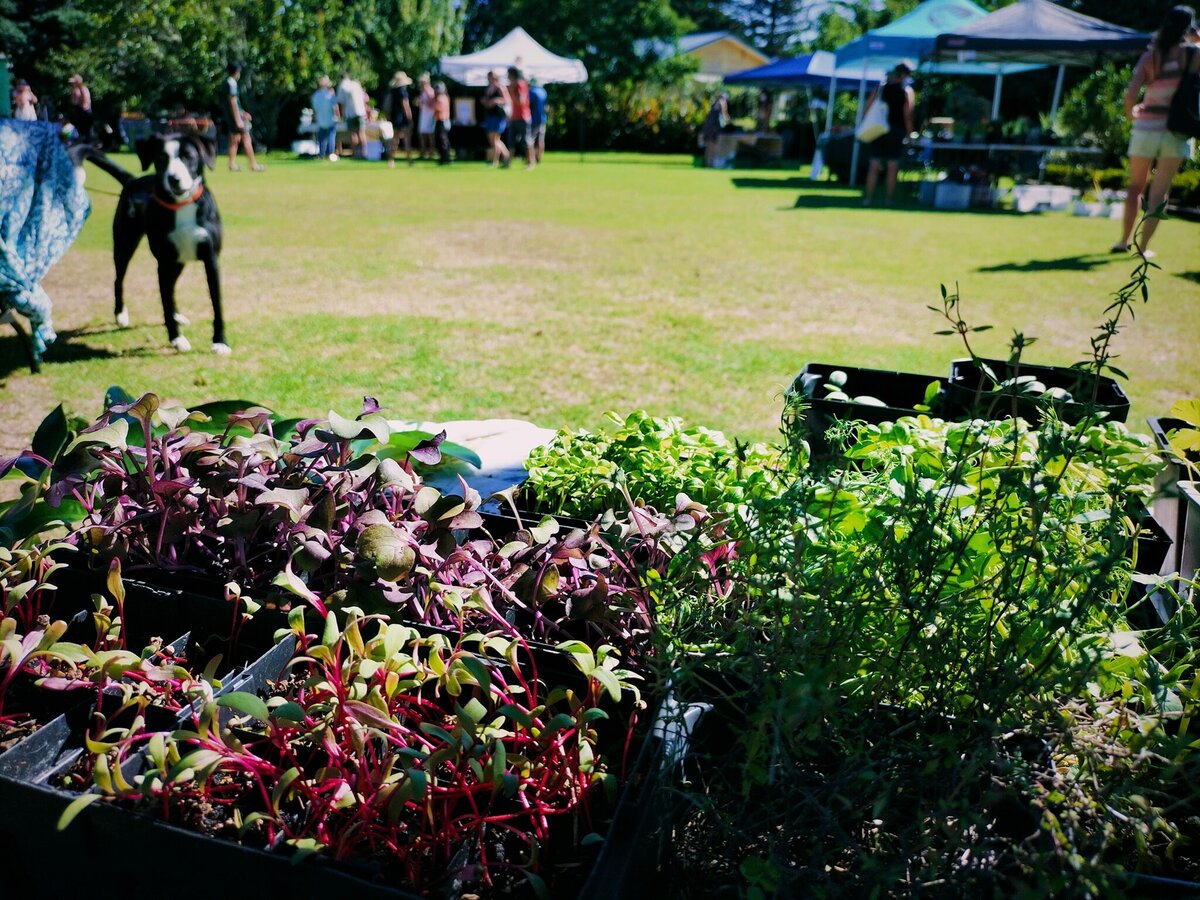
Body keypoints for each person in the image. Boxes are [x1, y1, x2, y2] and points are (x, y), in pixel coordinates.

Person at [1113, 5, 1199, 259]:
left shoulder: (1151, 55)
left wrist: (1132, 113)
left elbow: (1131, 94)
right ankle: (1142, 247)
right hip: (1176, 129)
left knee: (1135, 187)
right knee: (1159, 192)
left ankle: (1122, 241)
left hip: (1146, 127)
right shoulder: (1192, 54)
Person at [861, 62, 915, 207]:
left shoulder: (881, 87)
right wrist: (910, 134)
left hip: (878, 129)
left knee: (874, 165)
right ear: (906, 75)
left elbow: (867, 108)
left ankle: (868, 199)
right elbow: (907, 115)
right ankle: (889, 199)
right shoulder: (906, 91)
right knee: (892, 166)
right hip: (896, 131)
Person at [223, 63, 264, 171]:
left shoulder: (226, 82)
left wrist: (242, 113)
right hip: (235, 117)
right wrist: (238, 119)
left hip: (232, 115)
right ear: (236, 71)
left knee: (234, 140)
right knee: (246, 138)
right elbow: (232, 101)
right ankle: (253, 165)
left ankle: (232, 164)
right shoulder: (231, 83)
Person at [384, 71, 414, 168]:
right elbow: (406, 105)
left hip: (395, 117)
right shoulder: (403, 91)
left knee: (395, 139)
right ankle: (409, 159)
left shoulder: (392, 91)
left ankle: (391, 159)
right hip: (403, 118)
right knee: (406, 139)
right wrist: (409, 117)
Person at [507, 66, 534, 169]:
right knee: (511, 141)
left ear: (512, 74)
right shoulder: (514, 85)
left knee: (526, 141)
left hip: (523, 117)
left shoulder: (520, 84)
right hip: (514, 117)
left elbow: (521, 101)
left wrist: (511, 91)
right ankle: (508, 163)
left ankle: (530, 162)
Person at [337, 72, 368, 159]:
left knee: (352, 134)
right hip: (361, 112)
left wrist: (341, 115)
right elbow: (363, 99)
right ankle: (364, 153)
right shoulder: (356, 84)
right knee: (361, 133)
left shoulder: (342, 86)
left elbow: (340, 102)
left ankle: (355, 154)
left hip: (350, 113)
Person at [482, 69, 510, 168]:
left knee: (495, 139)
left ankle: (501, 158)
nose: (489, 79)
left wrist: (496, 100)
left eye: (491, 77)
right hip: (490, 115)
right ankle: (501, 158)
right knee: (492, 140)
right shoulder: (488, 88)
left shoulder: (500, 88)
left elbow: (507, 100)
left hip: (498, 116)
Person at [311, 75, 339, 161]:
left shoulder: (316, 95)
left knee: (322, 138)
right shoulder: (330, 94)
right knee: (331, 136)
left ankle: (321, 154)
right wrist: (338, 116)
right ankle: (331, 154)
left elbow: (315, 110)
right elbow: (335, 107)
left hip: (321, 120)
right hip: (330, 119)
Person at [700, 92, 727, 168]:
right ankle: (710, 164)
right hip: (713, 129)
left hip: (708, 128)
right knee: (711, 147)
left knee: (708, 146)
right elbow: (724, 116)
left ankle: (707, 163)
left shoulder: (714, 104)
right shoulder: (721, 103)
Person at [66, 74, 93, 140]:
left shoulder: (83, 89)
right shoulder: (75, 90)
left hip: (84, 111)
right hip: (78, 111)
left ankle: (87, 141)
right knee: (80, 128)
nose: (72, 84)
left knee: (86, 129)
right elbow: (73, 101)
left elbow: (85, 102)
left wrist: (81, 108)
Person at [529, 77, 548, 164]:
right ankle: (539, 158)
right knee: (541, 140)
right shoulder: (543, 91)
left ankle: (531, 158)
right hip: (543, 119)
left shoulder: (531, 92)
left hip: (533, 119)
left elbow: (528, 104)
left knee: (530, 139)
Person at [416, 73, 436, 160]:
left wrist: (423, 103)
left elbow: (433, 103)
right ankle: (423, 152)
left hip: (429, 115)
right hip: (423, 114)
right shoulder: (423, 91)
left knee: (429, 134)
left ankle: (431, 153)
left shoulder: (429, 91)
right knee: (422, 134)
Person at [433, 81, 452, 165]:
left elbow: (438, 108)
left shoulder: (440, 97)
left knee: (442, 140)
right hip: (443, 120)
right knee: (443, 140)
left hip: (442, 120)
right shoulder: (445, 97)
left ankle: (444, 158)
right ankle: (445, 157)